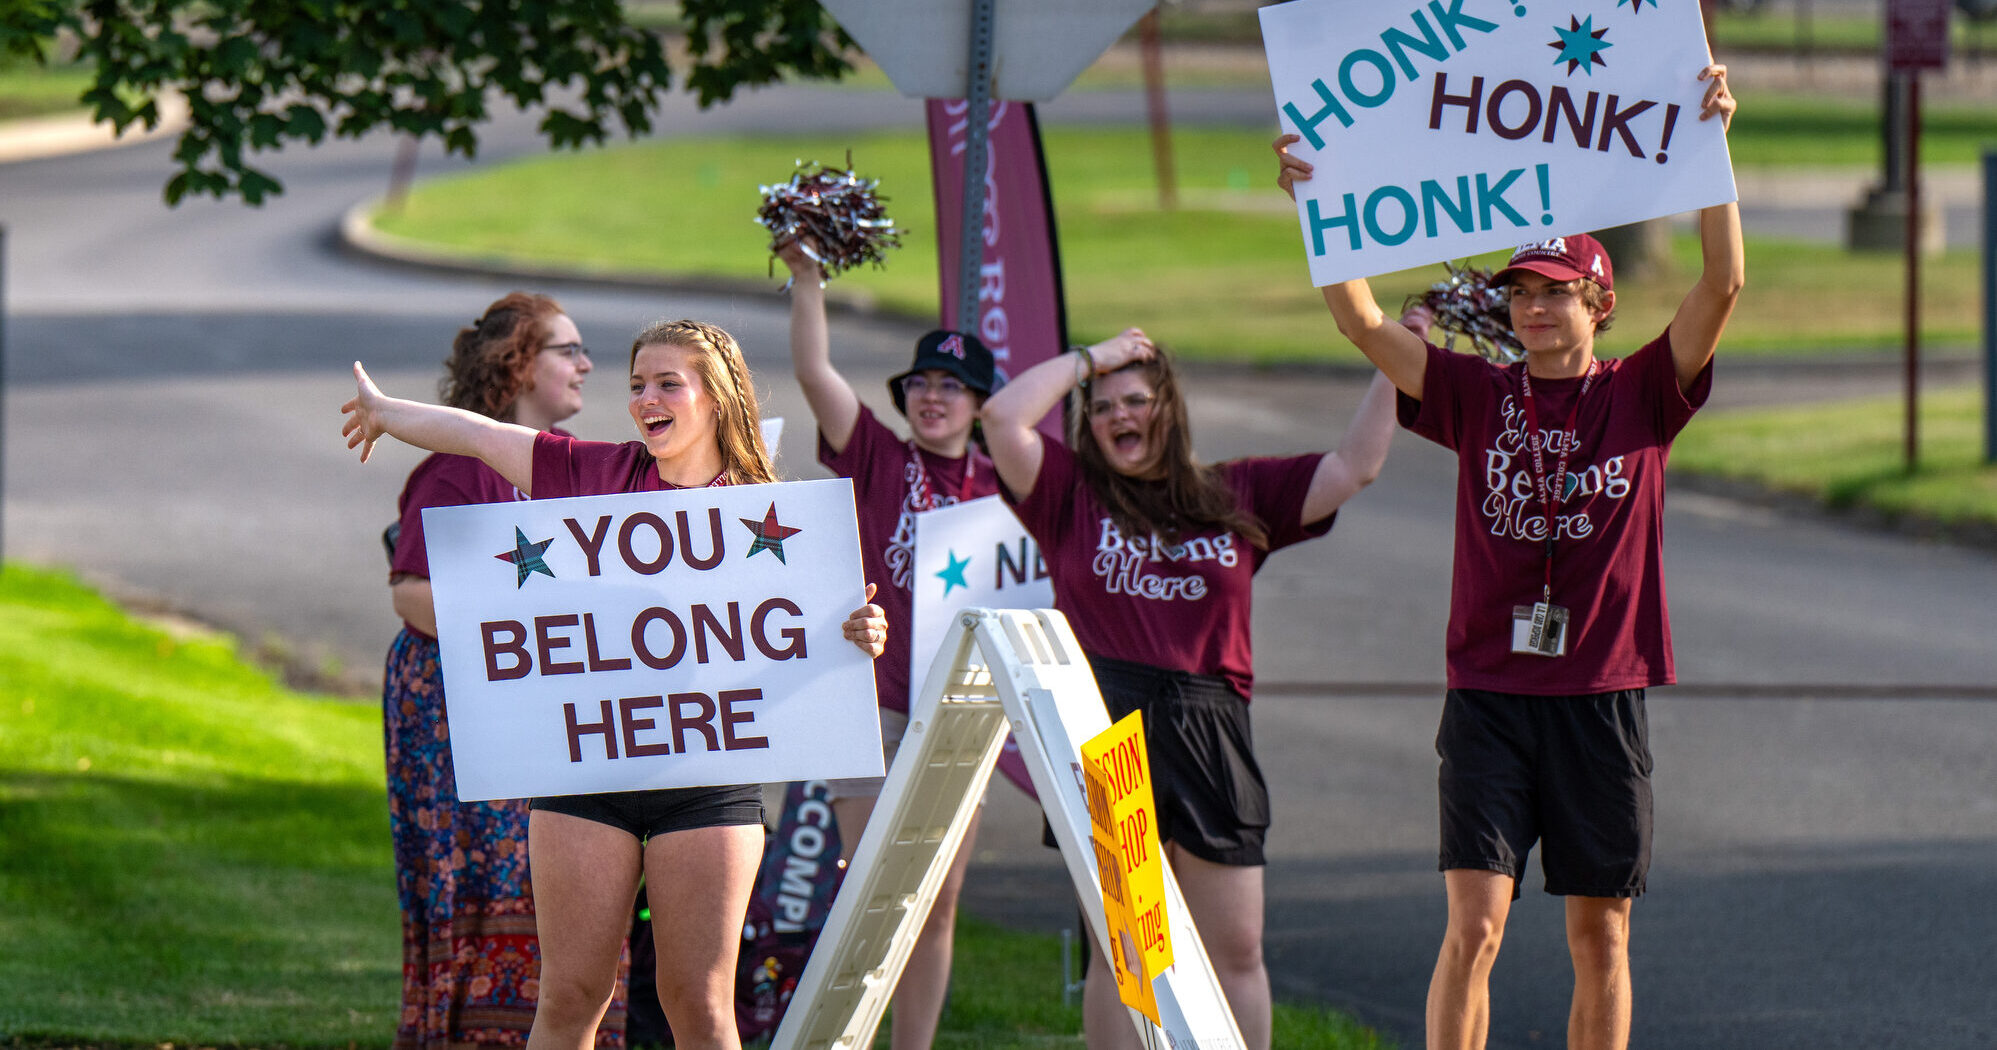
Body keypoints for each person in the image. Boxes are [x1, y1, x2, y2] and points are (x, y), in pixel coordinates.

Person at [1274, 64, 1742, 1050]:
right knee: (1472, 927)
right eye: (1519, 294)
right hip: (1487, 696)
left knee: (1597, 933)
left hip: (1598, 698)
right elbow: (1360, 321)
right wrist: (1318, 204)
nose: (1532, 310)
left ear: (1597, 302)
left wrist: (1709, 155)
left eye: (1554, 294)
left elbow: (1720, 281)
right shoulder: (1477, 396)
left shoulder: (1643, 394)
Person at [342, 318, 892, 1050]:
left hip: (709, 782)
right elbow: (476, 434)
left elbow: (815, 641)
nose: (645, 399)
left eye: (668, 383)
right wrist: (384, 412)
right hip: (585, 774)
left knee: (696, 1003)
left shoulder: (770, 513)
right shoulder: (594, 472)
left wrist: (863, 635)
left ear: (718, 397)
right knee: (570, 996)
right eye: (637, 385)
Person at [979, 329, 1398, 1050]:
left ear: (1167, 410)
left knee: (1233, 948)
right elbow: (1001, 419)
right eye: (1102, 406)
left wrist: (1398, 351)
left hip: (1211, 731)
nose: (1117, 416)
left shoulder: (1234, 492)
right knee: (1128, 958)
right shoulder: (1067, 493)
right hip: (1109, 731)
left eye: (1135, 400)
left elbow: (1355, 465)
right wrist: (1094, 358)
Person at [776, 240, 1000, 1050]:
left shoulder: (1000, 487)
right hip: (870, 703)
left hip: (956, 715)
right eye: (923, 384)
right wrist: (809, 282)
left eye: (953, 387)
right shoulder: (876, 453)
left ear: (980, 404)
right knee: (872, 892)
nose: (934, 398)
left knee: (935, 900)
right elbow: (814, 375)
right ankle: (848, 1037)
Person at [380, 292, 612, 1050]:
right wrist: (523, 629)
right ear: (517, 364)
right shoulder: (458, 470)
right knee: (484, 885)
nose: (585, 365)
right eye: (566, 350)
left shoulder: (562, 469)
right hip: (456, 718)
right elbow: (412, 595)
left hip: (526, 711)